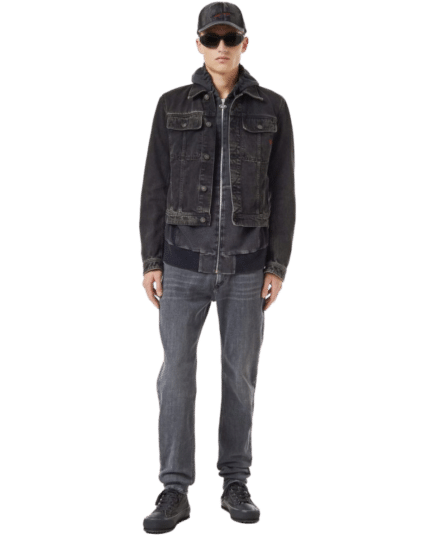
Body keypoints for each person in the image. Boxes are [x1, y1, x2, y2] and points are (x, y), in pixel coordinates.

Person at [139, 2, 296, 534]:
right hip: (181, 265)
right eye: (212, 39)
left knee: (239, 377)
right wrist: (151, 260)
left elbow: (284, 191)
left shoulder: (273, 106)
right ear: (199, 44)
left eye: (231, 38)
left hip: (248, 268)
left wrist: (277, 263)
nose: (221, 47)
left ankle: (235, 482)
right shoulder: (170, 105)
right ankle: (174, 489)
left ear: (245, 43)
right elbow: (154, 186)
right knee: (175, 376)